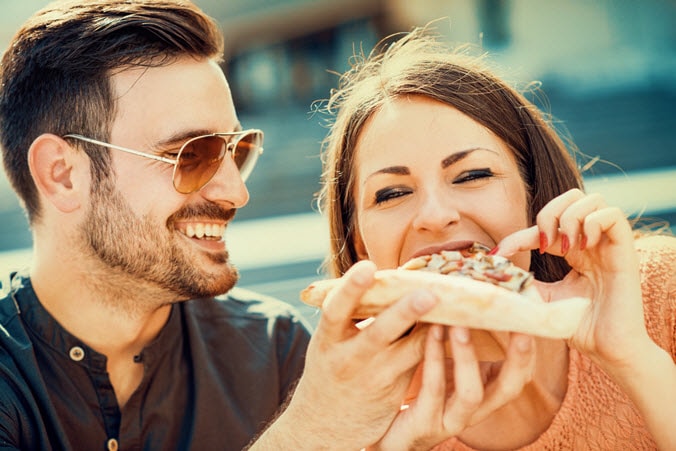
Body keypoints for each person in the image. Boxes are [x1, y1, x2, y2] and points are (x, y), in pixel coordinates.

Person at [0, 1, 450, 449]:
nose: (235, 193)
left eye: (236, 151)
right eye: (191, 154)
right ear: (62, 174)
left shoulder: (275, 350)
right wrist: (309, 434)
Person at [315, 26, 676, 450]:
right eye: (392, 193)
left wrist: (631, 355)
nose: (436, 216)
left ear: (534, 192)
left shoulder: (660, 290)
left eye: (473, 175)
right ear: (360, 245)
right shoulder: (360, 424)